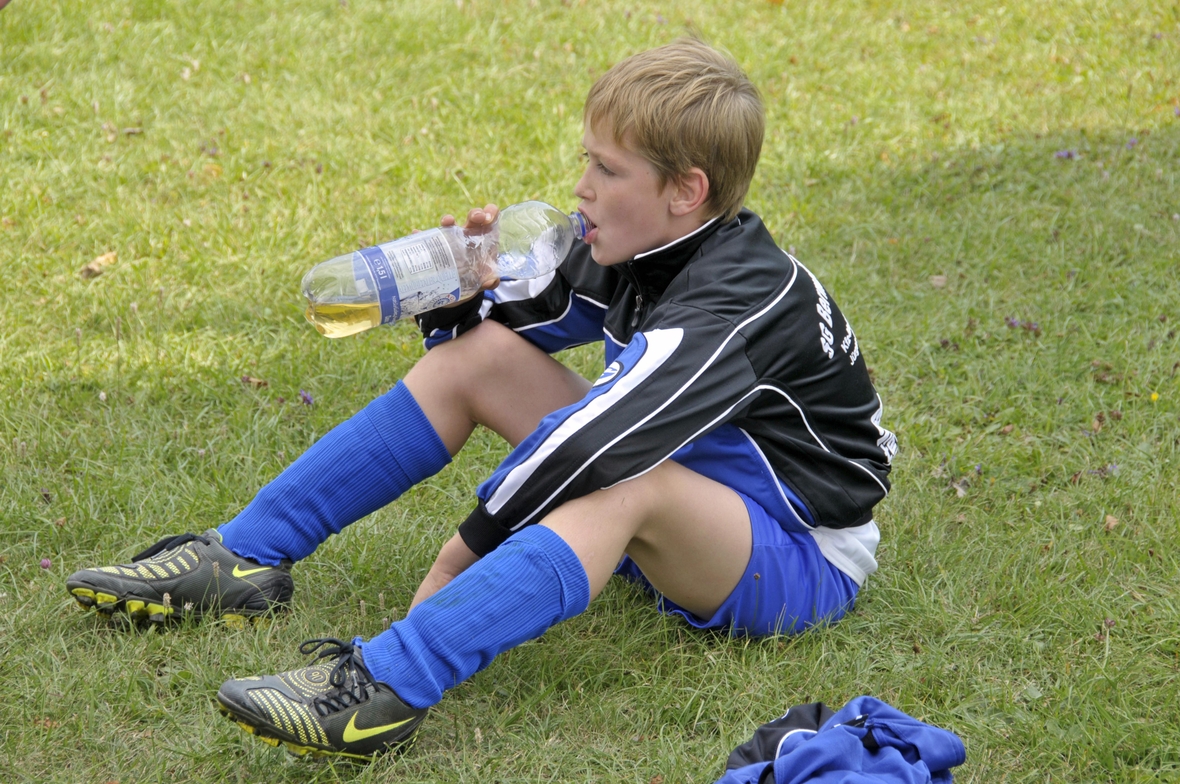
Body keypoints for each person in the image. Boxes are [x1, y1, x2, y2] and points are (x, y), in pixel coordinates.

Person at [65, 38, 896, 761]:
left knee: (620, 479)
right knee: (482, 357)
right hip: (689, 506)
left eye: (606, 170)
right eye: (586, 162)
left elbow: (593, 449)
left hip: (796, 554)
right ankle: (244, 556)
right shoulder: (643, 242)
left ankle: (387, 684)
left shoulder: (736, 300)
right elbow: (502, 337)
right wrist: (464, 294)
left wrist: (462, 552)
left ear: (686, 190)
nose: (581, 188)